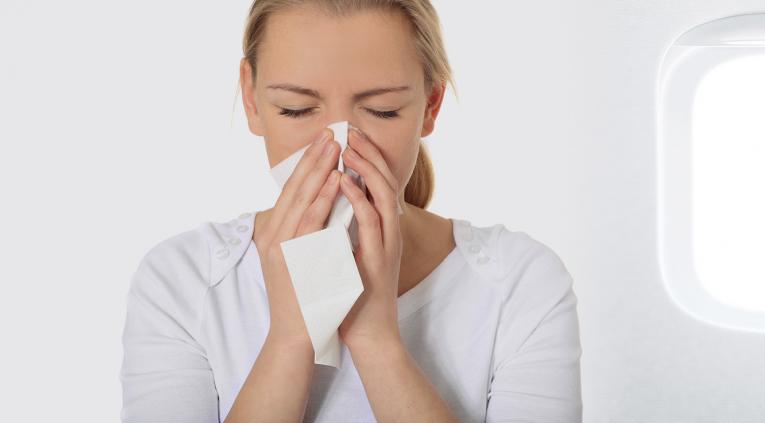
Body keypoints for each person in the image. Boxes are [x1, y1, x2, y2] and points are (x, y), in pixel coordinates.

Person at [118, 1, 582, 422]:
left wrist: (377, 341)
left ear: (430, 105)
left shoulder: (519, 284)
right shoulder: (183, 281)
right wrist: (291, 337)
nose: (338, 149)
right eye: (296, 110)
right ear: (251, 98)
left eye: (382, 111)